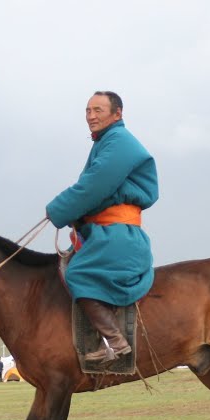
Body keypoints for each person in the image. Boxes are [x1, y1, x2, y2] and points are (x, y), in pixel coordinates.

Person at [46, 91, 158, 363]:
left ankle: (116, 342)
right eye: (87, 110)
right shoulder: (106, 141)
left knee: (79, 274)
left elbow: (93, 186)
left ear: (117, 114)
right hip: (103, 232)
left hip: (118, 234)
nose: (91, 116)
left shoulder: (119, 142)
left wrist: (57, 210)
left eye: (98, 110)